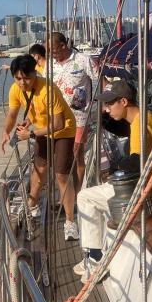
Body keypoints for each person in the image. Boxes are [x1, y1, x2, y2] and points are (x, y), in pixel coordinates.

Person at [74, 80, 152, 282]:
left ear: (123, 101)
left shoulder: (141, 125)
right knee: (98, 193)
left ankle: (95, 259)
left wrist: (115, 169)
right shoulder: (145, 118)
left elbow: (136, 161)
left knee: (85, 197)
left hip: (148, 193)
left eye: (110, 105)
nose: (106, 109)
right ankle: (97, 251)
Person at [1, 55, 79, 241]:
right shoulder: (15, 89)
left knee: (61, 174)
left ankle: (70, 221)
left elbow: (59, 124)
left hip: (63, 131)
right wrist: (6, 131)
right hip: (42, 130)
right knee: (39, 168)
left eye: (26, 78)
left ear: (35, 73)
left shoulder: (47, 90)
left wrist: (31, 135)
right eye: (18, 78)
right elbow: (12, 114)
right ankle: (32, 204)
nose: (22, 83)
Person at [47, 32, 97, 194]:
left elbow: (101, 80)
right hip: (56, 119)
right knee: (61, 159)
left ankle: (76, 193)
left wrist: (105, 104)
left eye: (53, 51)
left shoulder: (83, 60)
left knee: (77, 155)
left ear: (63, 45)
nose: (52, 55)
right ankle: (65, 193)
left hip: (79, 118)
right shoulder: (49, 65)